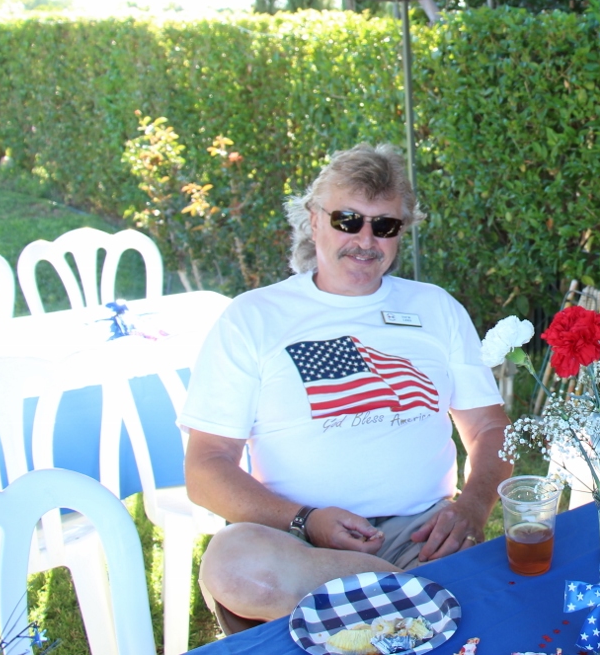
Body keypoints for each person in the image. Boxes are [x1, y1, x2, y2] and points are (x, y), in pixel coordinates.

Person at [181, 143, 511, 629]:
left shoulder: (436, 308)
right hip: (295, 543)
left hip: (418, 533)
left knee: (457, 567)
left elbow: (490, 428)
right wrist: (305, 519)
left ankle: (373, 606)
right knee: (235, 565)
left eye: (385, 225)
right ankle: (403, 597)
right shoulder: (253, 317)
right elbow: (205, 469)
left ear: (401, 232)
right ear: (313, 220)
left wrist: (473, 506)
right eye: (347, 220)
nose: (365, 239)